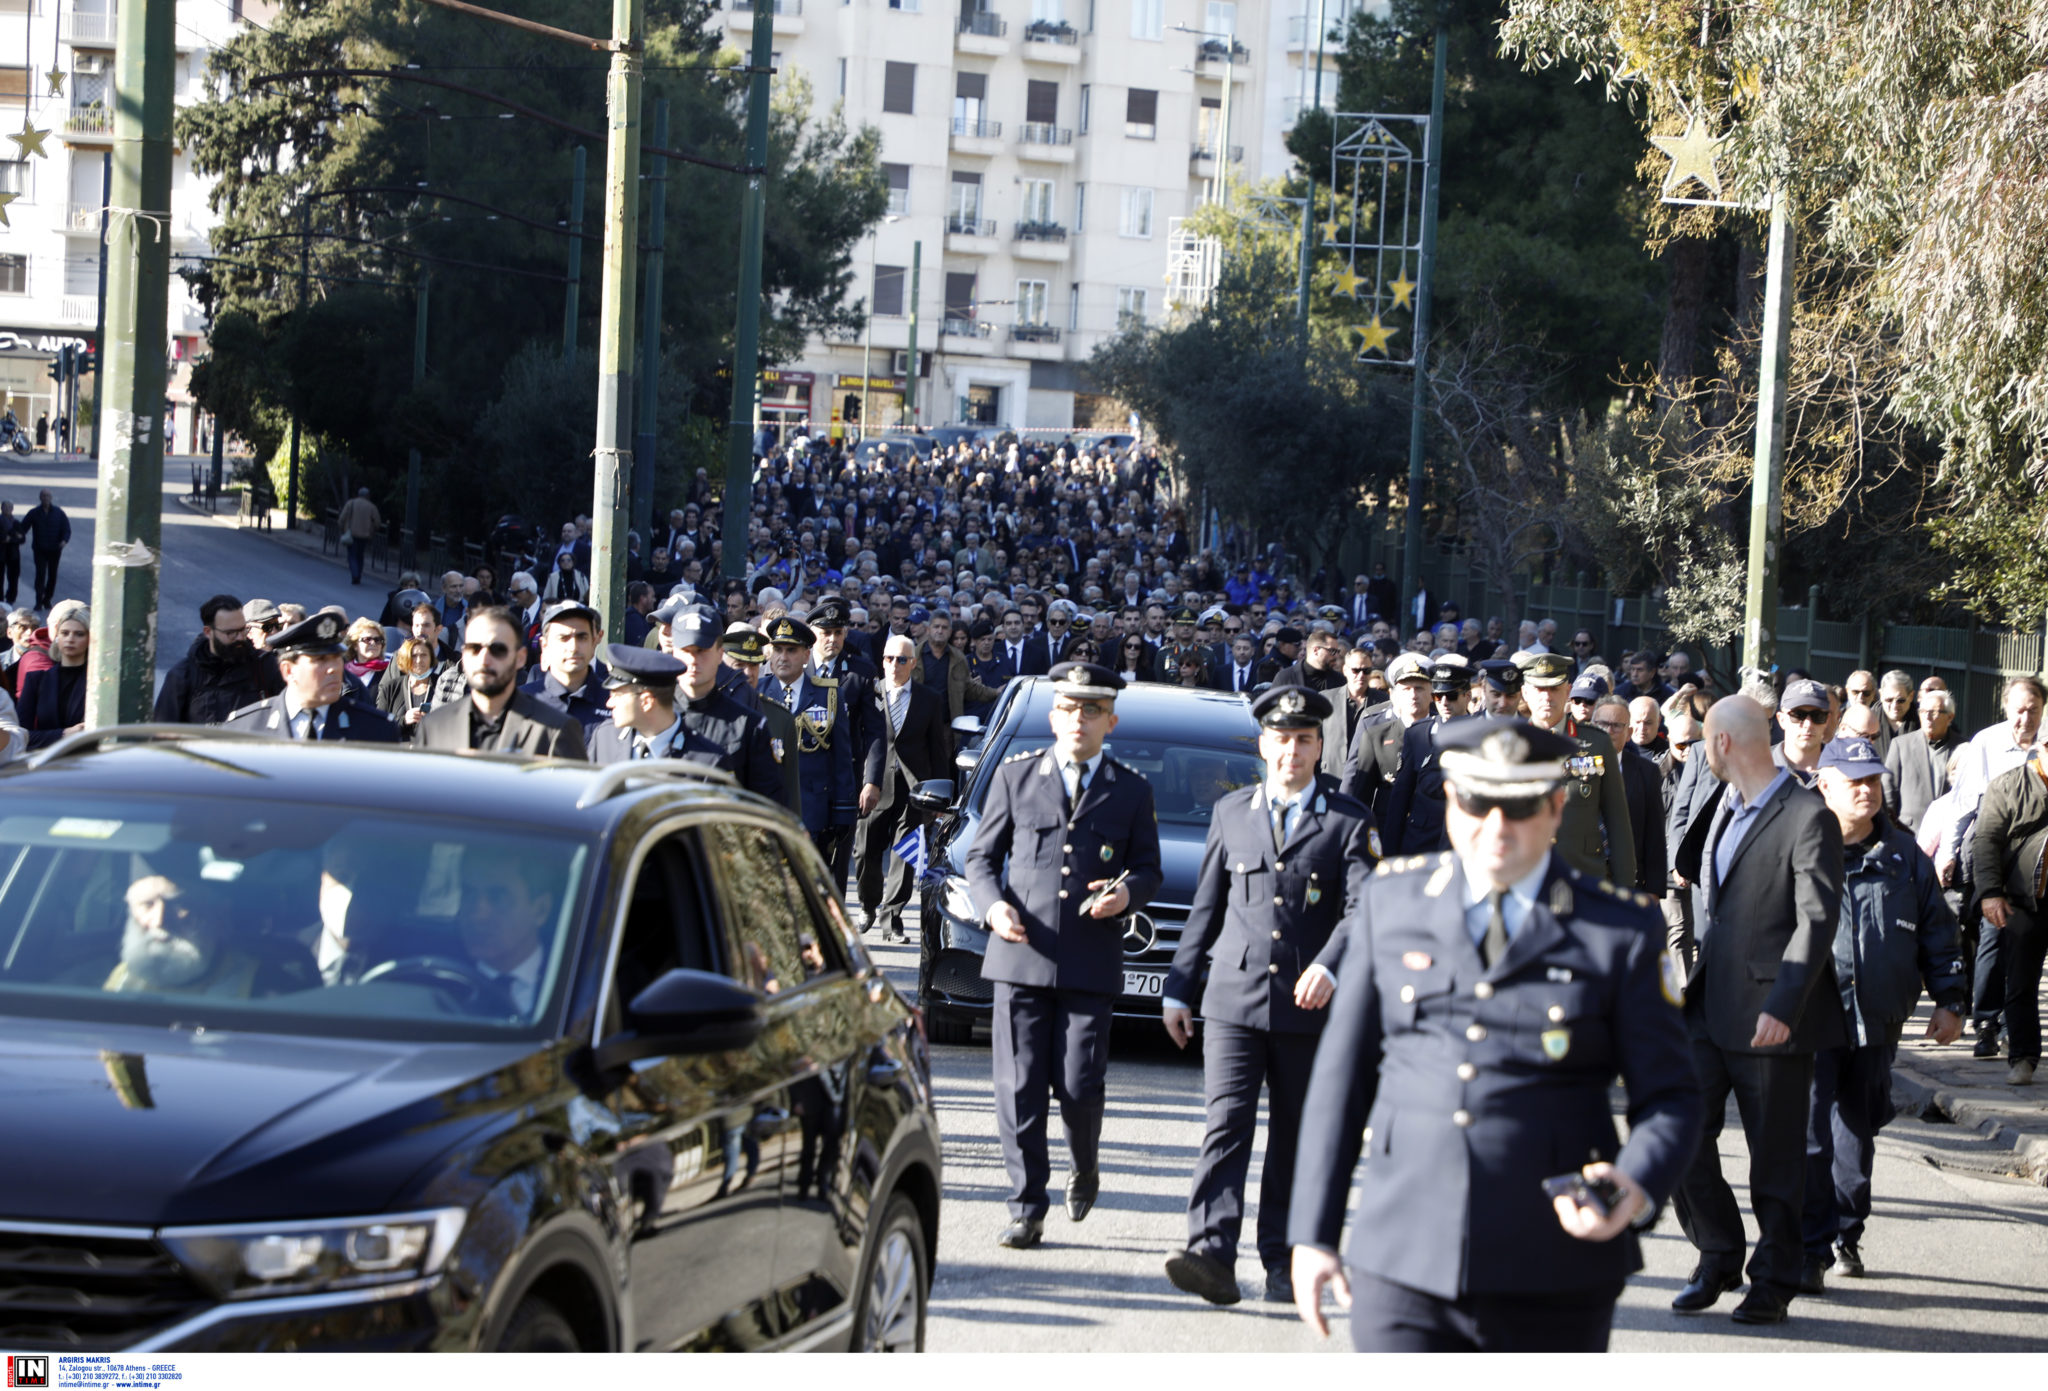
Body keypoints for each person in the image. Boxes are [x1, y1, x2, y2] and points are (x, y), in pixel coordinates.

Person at [1288, 717, 1703, 1352]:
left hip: (1556, 1261)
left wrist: (1634, 1184)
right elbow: (1339, 1084)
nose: (1498, 827)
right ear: (1452, 800)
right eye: (1480, 803)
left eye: (1520, 806)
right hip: (1404, 1254)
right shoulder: (1392, 905)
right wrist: (1313, 1234)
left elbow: (1671, 1095)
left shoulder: (1619, 930)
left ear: (1557, 806)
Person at [1162, 685, 1379, 1307]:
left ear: (1318, 746)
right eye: (1281, 740)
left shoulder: (1347, 822)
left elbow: (1365, 909)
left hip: (1309, 1008)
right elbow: (1206, 908)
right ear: (1263, 745)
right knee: (1224, 1127)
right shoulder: (1231, 814)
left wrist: (1332, 968)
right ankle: (1211, 1253)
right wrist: (1179, 986)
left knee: (1294, 1135)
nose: (1292, 752)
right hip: (1232, 999)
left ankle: (1283, 1260)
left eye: (1304, 740)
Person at [966, 661, 1163, 1250]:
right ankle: (1027, 1205)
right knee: (1019, 1086)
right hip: (1021, 955)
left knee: (1079, 1085)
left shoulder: (1131, 789)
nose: (1080, 719)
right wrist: (993, 907)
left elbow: (1150, 867)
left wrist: (1127, 894)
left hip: (1089, 961)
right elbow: (980, 859)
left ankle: (1085, 1163)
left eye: (1093, 710)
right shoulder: (1015, 777)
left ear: (1111, 722)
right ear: (1054, 717)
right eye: (1071, 709)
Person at [1667, 695, 1844, 1325]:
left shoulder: (1807, 815)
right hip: (1709, 1004)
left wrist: (1784, 1004)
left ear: (1721, 744)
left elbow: (1817, 920)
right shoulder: (1724, 808)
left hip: (1772, 1017)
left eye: (1702, 744)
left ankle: (1773, 1279)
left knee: (1775, 1159)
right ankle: (1717, 1254)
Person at [1801, 735, 1966, 1289]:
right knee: (1812, 1132)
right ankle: (1812, 1243)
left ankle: (1847, 1231)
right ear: (1824, 785)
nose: (1867, 790)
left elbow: (1939, 933)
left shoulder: (1904, 856)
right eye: (1854, 781)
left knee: (1858, 1129)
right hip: (1811, 1015)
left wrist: (1950, 1000)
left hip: (1877, 1018)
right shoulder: (1800, 846)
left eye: (1872, 779)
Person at [588, 613, 784, 804]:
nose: (693, 660)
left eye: (702, 650)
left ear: (719, 653)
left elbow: (767, 806)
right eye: (686, 651)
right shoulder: (646, 715)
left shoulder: (748, 725)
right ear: (674, 651)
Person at [759, 614, 869, 874]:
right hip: (766, 812)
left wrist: (843, 812)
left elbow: (842, 758)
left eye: (791, 650)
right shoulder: (757, 692)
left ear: (807, 655)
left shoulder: (828, 694)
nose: (783, 657)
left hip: (813, 811)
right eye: (777, 649)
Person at [856, 634, 948, 942]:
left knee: (906, 855)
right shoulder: (869, 694)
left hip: (913, 789)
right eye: (888, 658)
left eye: (901, 660)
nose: (894, 665)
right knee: (866, 851)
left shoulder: (929, 699)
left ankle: (892, 920)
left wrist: (939, 795)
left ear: (914, 663)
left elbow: (938, 748)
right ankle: (868, 903)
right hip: (874, 786)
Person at [1519, 654, 1636, 885]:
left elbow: (1618, 821)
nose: (1547, 697)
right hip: (1525, 879)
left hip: (1583, 877)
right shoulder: (1508, 744)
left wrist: (1625, 891)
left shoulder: (1597, 743)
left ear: (1568, 692)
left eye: (1554, 688)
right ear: (1525, 693)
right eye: (1539, 689)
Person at [1972, 739, 2048, 1085]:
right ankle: (2023, 1056)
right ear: (2043, 747)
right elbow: (1986, 840)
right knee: (2020, 982)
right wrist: (1990, 893)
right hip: (2022, 899)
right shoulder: (2008, 785)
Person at [417, 607, 588, 758]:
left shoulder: (555, 730)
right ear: (464, 654)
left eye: (497, 650)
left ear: (520, 658)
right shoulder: (434, 726)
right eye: (475, 649)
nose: (484, 659)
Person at [223, 612, 401, 742]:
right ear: (288, 671)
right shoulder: (246, 728)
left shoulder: (376, 730)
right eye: (321, 660)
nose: (333, 669)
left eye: (336, 659)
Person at [718, 624, 805, 820]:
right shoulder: (711, 712)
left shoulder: (780, 718)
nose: (749, 673)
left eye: (754, 665)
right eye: (740, 665)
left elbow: (790, 787)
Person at [152, 595, 277, 724]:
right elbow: (163, 733)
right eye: (231, 633)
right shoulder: (183, 675)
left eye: (242, 630)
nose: (240, 638)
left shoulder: (265, 666)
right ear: (208, 632)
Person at [1591, 694, 1666, 898]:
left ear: (1629, 732)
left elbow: (1655, 834)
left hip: (1630, 882)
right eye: (1602, 724)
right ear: (1591, 726)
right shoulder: (1573, 765)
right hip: (1585, 877)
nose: (1609, 730)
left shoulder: (1646, 772)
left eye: (1617, 725)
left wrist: (1654, 891)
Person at [520, 600, 611, 736]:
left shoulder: (613, 703)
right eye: (563, 638)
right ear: (545, 646)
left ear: (594, 642)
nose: (573, 647)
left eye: (582, 637)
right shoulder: (522, 702)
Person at [1884, 687, 1964, 831]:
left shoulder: (1962, 749)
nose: (1927, 717)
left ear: (1950, 717)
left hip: (1947, 833)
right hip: (1908, 832)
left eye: (1934, 712)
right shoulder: (1901, 745)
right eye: (1922, 712)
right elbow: (1888, 792)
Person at [18, 599, 88, 749]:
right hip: (47, 762)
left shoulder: (98, 682)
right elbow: (20, 736)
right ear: (57, 637)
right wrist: (62, 734)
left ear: (90, 639)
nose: (70, 639)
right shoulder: (37, 680)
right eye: (65, 633)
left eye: (79, 634)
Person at [23, 489, 70, 610]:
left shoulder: (59, 513)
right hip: (40, 549)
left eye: (48, 496)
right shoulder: (34, 513)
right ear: (40, 498)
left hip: (55, 550)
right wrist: (15, 535)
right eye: (43, 496)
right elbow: (23, 527)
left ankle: (47, 599)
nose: (46, 498)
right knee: (40, 574)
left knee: (52, 575)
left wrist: (64, 541)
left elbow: (66, 529)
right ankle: (38, 600)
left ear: (51, 498)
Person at [336, 486, 382, 585]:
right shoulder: (371, 507)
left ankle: (355, 574)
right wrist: (372, 530)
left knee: (352, 555)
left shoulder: (351, 503)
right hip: (365, 535)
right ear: (368, 496)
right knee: (360, 555)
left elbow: (342, 518)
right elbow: (377, 522)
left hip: (351, 534)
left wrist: (342, 529)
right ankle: (358, 574)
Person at [343, 618, 390, 693]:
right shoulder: (343, 672)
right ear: (355, 645)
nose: (373, 643)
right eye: (367, 639)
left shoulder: (389, 673)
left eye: (377, 640)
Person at [0, 500, 20, 606]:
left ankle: (11, 598)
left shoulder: (15, 523)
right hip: (1, 554)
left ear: (12, 509)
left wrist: (10, 539)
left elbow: (22, 538)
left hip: (13, 555)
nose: (7, 509)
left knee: (13, 578)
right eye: (5, 507)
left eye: (9, 507)